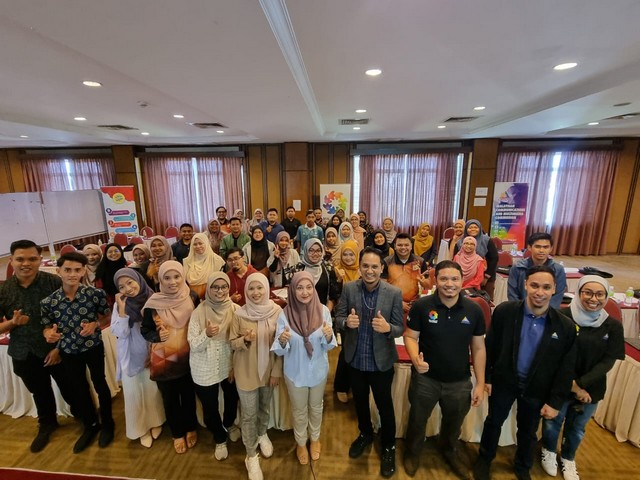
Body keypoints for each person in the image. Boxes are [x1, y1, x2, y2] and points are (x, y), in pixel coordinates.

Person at [474, 265, 577, 480]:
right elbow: (490, 346)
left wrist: (555, 401)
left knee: (528, 432)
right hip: (504, 381)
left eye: (546, 287)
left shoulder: (565, 326)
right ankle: (484, 460)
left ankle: (523, 467)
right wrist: (488, 378)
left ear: (554, 289)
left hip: (537, 387)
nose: (540, 292)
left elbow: (565, 368)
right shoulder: (505, 311)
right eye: (535, 285)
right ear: (525, 285)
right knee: (493, 423)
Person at [403, 260, 486, 478]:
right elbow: (410, 336)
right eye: (444, 279)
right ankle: (412, 452)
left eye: (454, 279)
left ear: (462, 281)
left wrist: (480, 383)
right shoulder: (422, 306)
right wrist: (415, 359)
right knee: (417, 420)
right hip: (425, 379)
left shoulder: (474, 310)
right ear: (436, 281)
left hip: (459, 381)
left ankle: (449, 450)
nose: (450, 284)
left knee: (454, 423)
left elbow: (478, 348)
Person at [540, 275, 624, 480]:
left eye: (600, 294)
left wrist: (581, 384)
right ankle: (548, 451)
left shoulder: (612, 326)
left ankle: (568, 458)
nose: (593, 298)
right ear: (578, 293)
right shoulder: (561, 317)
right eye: (588, 293)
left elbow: (608, 361)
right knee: (552, 423)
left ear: (606, 296)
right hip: (559, 384)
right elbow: (552, 354)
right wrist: (572, 386)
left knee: (577, 428)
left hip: (591, 388)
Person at [0, 240, 78, 453]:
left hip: (58, 349)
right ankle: (47, 424)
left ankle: (85, 418)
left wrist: (59, 348)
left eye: (32, 259)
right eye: (20, 259)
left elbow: (72, 317)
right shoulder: (3, 290)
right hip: (23, 352)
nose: (26, 263)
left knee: (71, 387)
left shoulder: (54, 282)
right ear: (11, 260)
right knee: (39, 392)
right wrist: (12, 323)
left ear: (39, 260)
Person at [334, 247, 404, 478]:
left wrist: (387, 328)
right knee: (360, 402)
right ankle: (365, 433)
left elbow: (399, 328)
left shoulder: (393, 293)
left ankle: (388, 446)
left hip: (381, 362)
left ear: (382, 268)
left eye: (375, 266)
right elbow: (338, 318)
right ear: (360, 267)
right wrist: (346, 323)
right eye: (365, 266)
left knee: (385, 405)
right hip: (355, 359)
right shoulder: (349, 288)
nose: (370, 271)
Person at [41, 252, 113, 453]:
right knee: (79, 388)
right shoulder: (49, 302)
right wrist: (48, 334)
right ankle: (90, 425)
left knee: (100, 383)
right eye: (67, 270)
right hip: (68, 350)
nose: (72, 274)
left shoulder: (95, 294)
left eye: (77, 270)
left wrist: (95, 324)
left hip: (93, 347)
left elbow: (108, 317)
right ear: (58, 271)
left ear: (83, 271)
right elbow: (46, 326)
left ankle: (108, 423)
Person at [272, 271, 337, 464]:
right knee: (299, 410)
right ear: (292, 290)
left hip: (318, 371)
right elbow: (280, 350)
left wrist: (328, 336)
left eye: (309, 287)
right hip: (295, 372)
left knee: (316, 407)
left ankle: (314, 439)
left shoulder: (323, 311)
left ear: (313, 289)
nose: (305, 292)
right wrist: (282, 341)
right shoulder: (285, 314)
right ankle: (301, 442)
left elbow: (329, 346)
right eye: (299, 288)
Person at [141, 261, 199, 454]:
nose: (173, 282)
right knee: (170, 398)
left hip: (189, 356)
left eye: (177, 277)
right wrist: (157, 336)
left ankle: (191, 427)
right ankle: (177, 433)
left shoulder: (192, 296)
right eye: (167, 278)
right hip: (164, 360)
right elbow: (145, 330)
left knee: (189, 396)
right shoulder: (153, 303)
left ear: (183, 277)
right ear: (160, 279)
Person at [230, 273, 283, 480]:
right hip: (246, 372)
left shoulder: (277, 311)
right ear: (246, 291)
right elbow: (232, 343)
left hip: (268, 371)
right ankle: (251, 455)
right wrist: (244, 339)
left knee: (264, 407)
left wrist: (276, 371)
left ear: (266, 289)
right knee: (249, 414)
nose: (255, 292)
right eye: (251, 288)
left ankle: (262, 433)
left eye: (259, 287)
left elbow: (280, 345)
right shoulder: (239, 314)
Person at [188, 272, 241, 461]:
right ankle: (219, 437)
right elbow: (193, 344)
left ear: (229, 288)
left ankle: (229, 424)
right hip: (204, 364)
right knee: (209, 406)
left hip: (228, 362)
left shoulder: (235, 309)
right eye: (215, 287)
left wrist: (234, 366)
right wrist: (207, 334)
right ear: (208, 289)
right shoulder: (198, 312)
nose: (220, 291)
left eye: (224, 287)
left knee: (232, 398)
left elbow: (239, 342)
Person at [111, 268, 165, 447]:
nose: (127, 288)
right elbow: (120, 332)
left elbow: (161, 326)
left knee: (152, 391)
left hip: (151, 351)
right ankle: (140, 428)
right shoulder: (120, 305)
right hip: (131, 355)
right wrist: (122, 311)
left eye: (130, 282)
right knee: (134, 393)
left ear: (139, 280)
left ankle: (156, 421)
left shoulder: (153, 299)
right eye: (121, 286)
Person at [332, 239, 362, 404]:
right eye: (345, 254)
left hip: (362, 317)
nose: (349, 257)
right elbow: (334, 295)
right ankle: (341, 386)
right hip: (344, 317)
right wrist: (339, 280)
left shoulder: (361, 270)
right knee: (346, 352)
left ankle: (354, 385)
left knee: (359, 351)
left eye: (352, 254)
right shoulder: (337, 270)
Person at [508, 232, 567, 309]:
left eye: (545, 247)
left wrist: (544, 313)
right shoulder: (517, 267)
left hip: (547, 312)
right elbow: (512, 294)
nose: (541, 250)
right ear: (529, 247)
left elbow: (557, 296)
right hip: (520, 311)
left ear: (551, 249)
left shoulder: (558, 270)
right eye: (537, 247)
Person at [383, 233, 430, 315]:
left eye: (406, 245)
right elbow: (382, 287)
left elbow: (428, 285)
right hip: (392, 304)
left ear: (411, 246)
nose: (403, 247)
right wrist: (398, 302)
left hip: (415, 305)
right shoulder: (387, 262)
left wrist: (423, 282)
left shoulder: (420, 261)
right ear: (394, 246)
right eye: (400, 245)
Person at [454, 220, 498, 300]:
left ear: (480, 228)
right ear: (466, 229)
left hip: (485, 275)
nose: (473, 229)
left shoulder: (486, 240)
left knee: (484, 299)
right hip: (462, 278)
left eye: (475, 227)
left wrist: (486, 277)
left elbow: (494, 258)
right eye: (470, 227)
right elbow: (455, 261)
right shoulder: (460, 242)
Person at [298, 239, 340, 311]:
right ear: (306, 251)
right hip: (301, 312)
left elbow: (332, 296)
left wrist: (325, 314)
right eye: (311, 250)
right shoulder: (297, 269)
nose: (315, 254)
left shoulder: (328, 268)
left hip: (323, 311)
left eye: (318, 250)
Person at [183, 232, 225, 299]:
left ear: (206, 243)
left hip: (212, 296)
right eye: (195, 244)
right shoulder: (187, 261)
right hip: (192, 297)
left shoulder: (217, 260)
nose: (198, 246)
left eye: (200, 243)